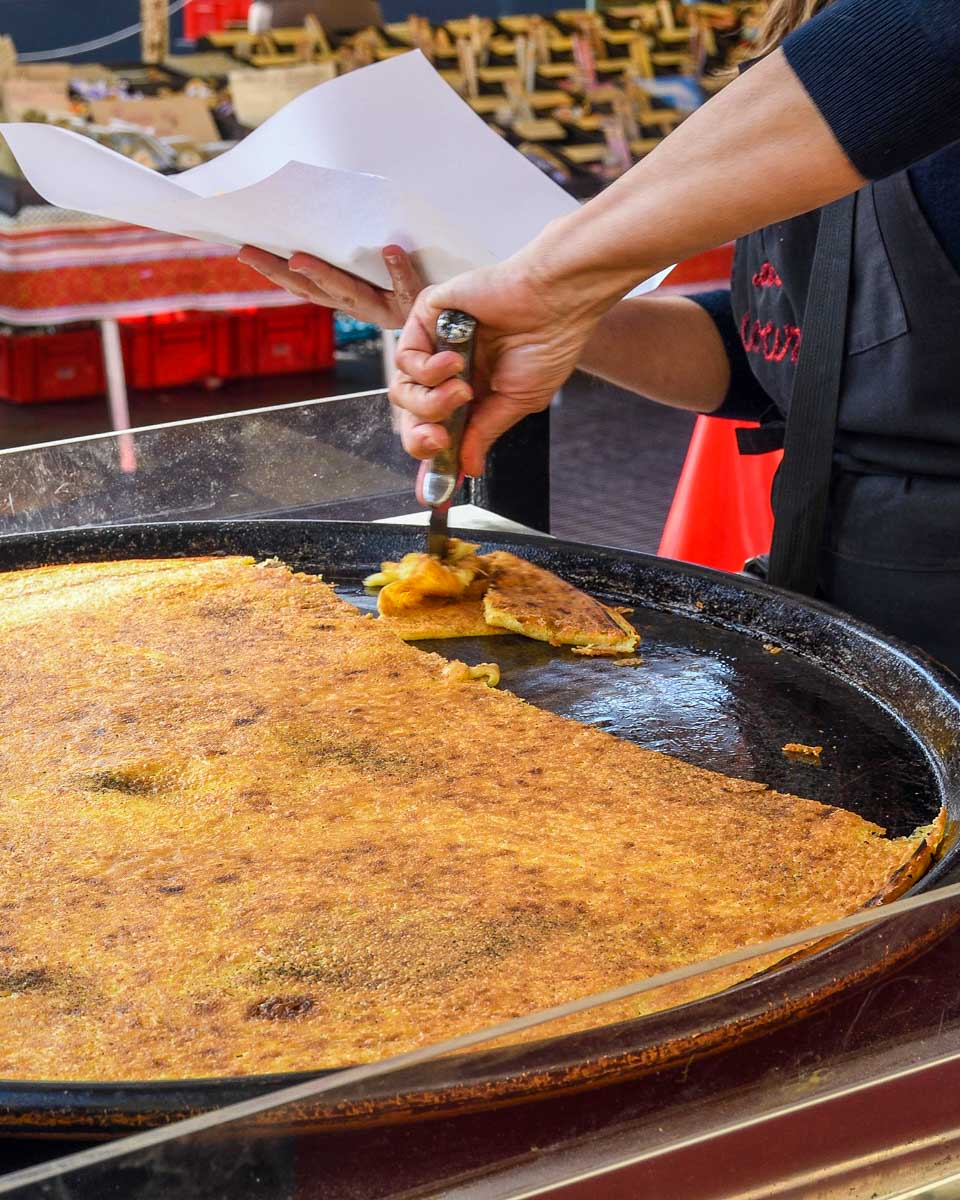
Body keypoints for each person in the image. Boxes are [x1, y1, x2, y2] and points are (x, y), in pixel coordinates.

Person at [240, 0, 960, 670]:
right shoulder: (796, 30)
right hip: (838, 620)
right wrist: (554, 321)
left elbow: (918, 37)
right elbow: (791, 356)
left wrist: (549, 279)